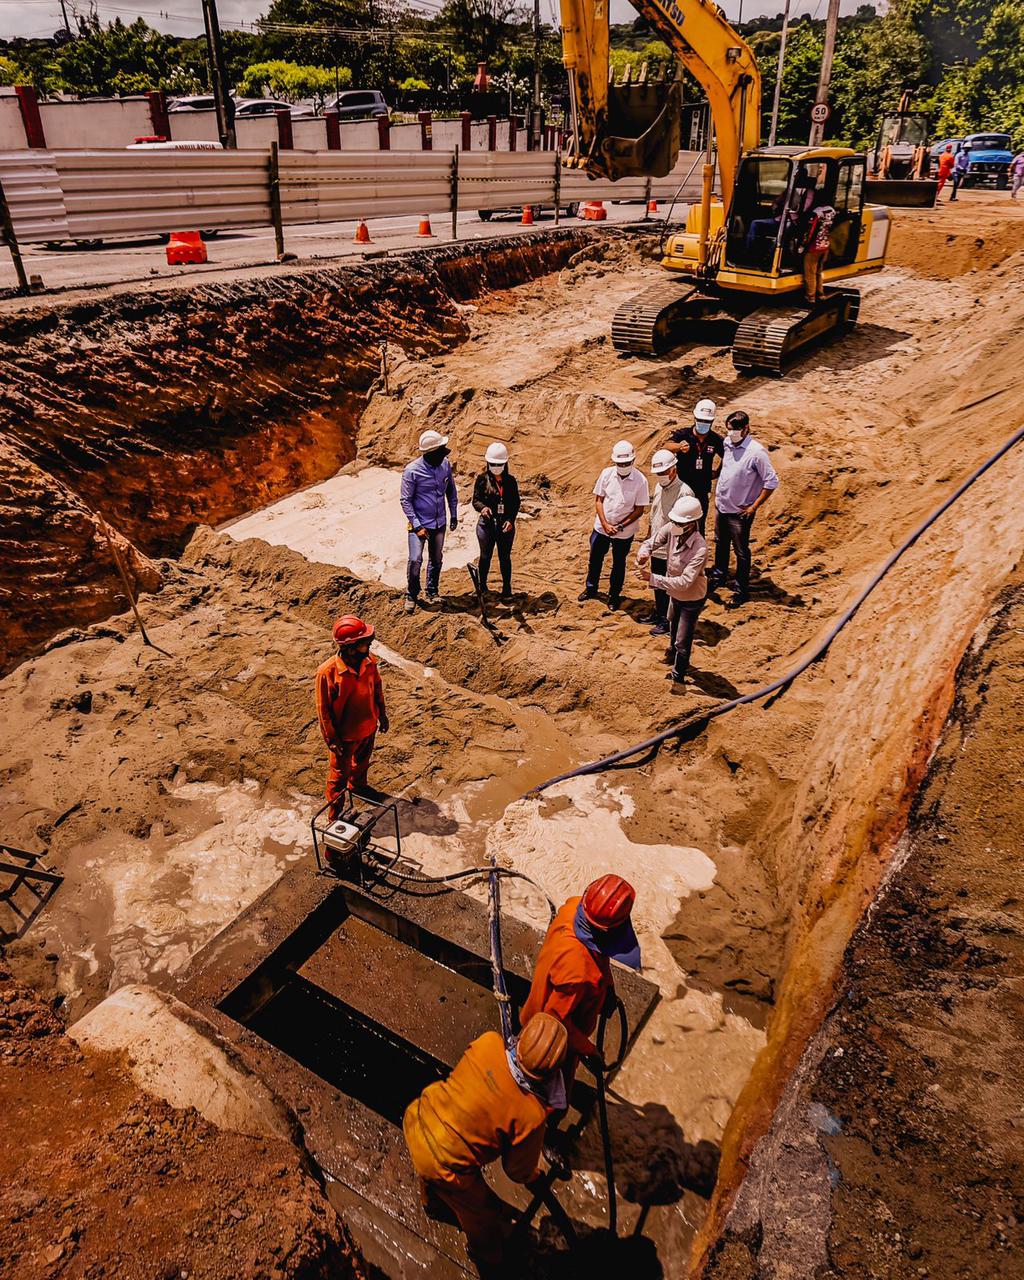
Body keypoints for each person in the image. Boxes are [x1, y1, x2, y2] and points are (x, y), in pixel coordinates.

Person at [403, 1012, 568, 1273]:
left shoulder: (488, 1043)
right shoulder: (532, 1115)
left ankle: (432, 1204)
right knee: (483, 1217)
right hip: (445, 1165)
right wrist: (535, 1175)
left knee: (433, 1162)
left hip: (419, 1116)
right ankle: (487, 1258)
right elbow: (517, 1171)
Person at [520, 875, 640, 1095]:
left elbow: (599, 950)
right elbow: (556, 1020)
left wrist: (609, 987)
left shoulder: (574, 907)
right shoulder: (579, 973)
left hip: (545, 998)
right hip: (551, 1041)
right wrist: (589, 1051)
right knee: (556, 1096)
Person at [315, 615, 389, 815]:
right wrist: (332, 740)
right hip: (345, 737)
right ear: (351, 647)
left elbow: (377, 688)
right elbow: (324, 711)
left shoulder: (369, 662)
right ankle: (335, 814)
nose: (370, 645)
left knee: (362, 763)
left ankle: (357, 786)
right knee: (338, 777)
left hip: (368, 727)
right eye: (366, 643)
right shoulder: (328, 672)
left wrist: (382, 714)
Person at [709, 410, 779, 606]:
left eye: (736, 429)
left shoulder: (757, 453)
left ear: (746, 428)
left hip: (740, 512)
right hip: (722, 507)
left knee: (741, 551)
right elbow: (727, 461)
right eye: (729, 429)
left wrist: (753, 507)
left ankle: (741, 590)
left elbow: (771, 482)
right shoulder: (727, 444)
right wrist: (718, 472)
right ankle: (719, 575)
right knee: (720, 543)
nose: (732, 433)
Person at [636, 494, 707, 686]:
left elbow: (685, 582)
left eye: (678, 521)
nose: (673, 524)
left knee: (683, 640)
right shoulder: (673, 528)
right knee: (673, 627)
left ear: (691, 523)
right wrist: (643, 553)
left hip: (691, 598)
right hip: (675, 594)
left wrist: (652, 578)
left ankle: (678, 675)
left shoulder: (700, 548)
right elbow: (653, 541)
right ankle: (672, 654)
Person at [578, 441, 649, 610]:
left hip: (624, 532)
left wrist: (620, 526)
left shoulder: (641, 480)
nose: (623, 466)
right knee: (595, 559)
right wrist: (604, 523)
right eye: (620, 464)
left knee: (618, 563)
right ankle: (591, 588)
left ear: (633, 461)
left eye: (626, 463)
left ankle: (614, 596)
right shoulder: (607, 474)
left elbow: (639, 510)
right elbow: (599, 500)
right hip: (601, 528)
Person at [401, 429, 459, 613]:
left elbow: (451, 491)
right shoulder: (412, 471)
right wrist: (417, 526)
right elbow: (405, 500)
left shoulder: (445, 465)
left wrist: (454, 513)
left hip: (439, 522)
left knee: (436, 558)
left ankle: (432, 591)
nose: (445, 451)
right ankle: (412, 594)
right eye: (441, 449)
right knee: (415, 559)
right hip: (419, 524)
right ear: (431, 452)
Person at [642, 449, 691, 635]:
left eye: (663, 472)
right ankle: (659, 613)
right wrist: (649, 537)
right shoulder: (658, 487)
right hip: (657, 546)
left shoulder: (685, 492)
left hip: (672, 549)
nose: (661, 476)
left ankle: (669, 622)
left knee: (670, 587)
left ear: (673, 469)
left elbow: (687, 526)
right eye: (658, 473)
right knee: (657, 583)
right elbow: (655, 514)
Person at [662, 397, 724, 534]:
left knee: (698, 524)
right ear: (694, 418)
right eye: (700, 420)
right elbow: (666, 446)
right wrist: (679, 447)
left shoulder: (715, 439)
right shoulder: (683, 434)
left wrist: (718, 471)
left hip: (701, 489)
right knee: (677, 521)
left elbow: (728, 456)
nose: (703, 423)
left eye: (707, 421)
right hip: (682, 487)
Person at [472, 442, 521, 597]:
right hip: (487, 525)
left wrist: (510, 520)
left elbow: (515, 503)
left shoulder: (510, 481)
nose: (495, 467)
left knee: (504, 557)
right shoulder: (481, 479)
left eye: (499, 464)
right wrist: (483, 508)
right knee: (485, 556)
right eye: (492, 464)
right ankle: (482, 587)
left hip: (504, 525)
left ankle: (506, 588)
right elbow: (476, 500)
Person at [800, 193, 836, 305]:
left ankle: (810, 297)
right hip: (825, 245)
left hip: (814, 247)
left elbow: (810, 231)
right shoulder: (831, 210)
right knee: (818, 272)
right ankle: (820, 293)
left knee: (810, 273)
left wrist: (803, 245)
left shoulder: (817, 213)